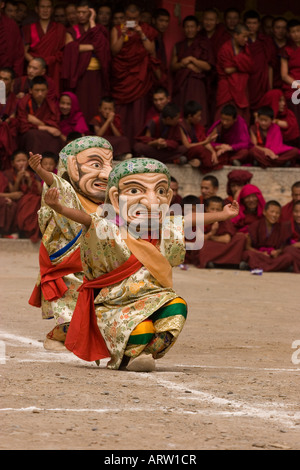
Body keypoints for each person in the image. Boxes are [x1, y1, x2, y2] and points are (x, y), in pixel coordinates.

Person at [42, 157, 239, 371]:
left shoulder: (165, 227)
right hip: (116, 303)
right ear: (116, 199)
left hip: (154, 296)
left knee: (177, 307)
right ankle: (130, 354)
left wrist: (224, 214)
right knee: (142, 328)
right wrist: (58, 207)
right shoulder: (109, 228)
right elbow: (85, 219)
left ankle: (146, 352)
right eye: (136, 191)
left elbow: (191, 219)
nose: (152, 201)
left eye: (161, 191)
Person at [28, 136, 114, 351]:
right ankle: (55, 337)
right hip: (67, 266)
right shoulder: (65, 190)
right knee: (70, 315)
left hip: (97, 266)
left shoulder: (108, 199)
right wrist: (40, 170)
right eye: (96, 165)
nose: (106, 172)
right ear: (71, 166)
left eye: (109, 164)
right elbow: (55, 182)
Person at [110, 3, 160, 145]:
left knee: (138, 112)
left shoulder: (146, 30)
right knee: (122, 113)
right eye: (129, 17)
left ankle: (137, 144)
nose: (132, 20)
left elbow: (151, 50)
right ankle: (122, 144)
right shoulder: (117, 29)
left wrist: (141, 34)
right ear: (125, 16)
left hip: (139, 78)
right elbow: (114, 51)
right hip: (123, 78)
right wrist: (123, 36)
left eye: (135, 18)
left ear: (139, 17)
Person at [62, 1, 110, 124]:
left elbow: (104, 48)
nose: (81, 15)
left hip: (97, 74)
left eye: (84, 12)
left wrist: (93, 22)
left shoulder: (99, 29)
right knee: (81, 105)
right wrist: (94, 47)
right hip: (80, 75)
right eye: (78, 12)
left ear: (90, 13)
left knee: (95, 106)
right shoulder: (72, 30)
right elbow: (70, 48)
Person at [171, 15, 214, 127]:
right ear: (183, 29)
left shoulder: (204, 44)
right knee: (182, 111)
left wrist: (192, 59)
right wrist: (185, 65)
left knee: (198, 113)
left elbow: (208, 66)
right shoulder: (179, 45)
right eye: (187, 27)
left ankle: (199, 136)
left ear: (198, 28)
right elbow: (173, 66)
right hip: (182, 84)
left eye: (192, 27)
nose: (189, 30)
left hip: (197, 84)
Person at [22, 0, 66, 96]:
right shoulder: (28, 28)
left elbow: (63, 51)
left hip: (53, 68)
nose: (45, 10)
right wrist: (37, 64)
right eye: (42, 7)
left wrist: (48, 60)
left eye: (48, 7)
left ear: (52, 10)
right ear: (37, 9)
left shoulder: (60, 28)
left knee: (52, 94)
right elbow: (24, 52)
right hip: (35, 68)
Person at [191, 195, 246, 269]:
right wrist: (212, 233)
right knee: (203, 245)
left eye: (218, 210)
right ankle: (220, 263)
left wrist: (211, 237)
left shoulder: (224, 221)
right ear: (206, 209)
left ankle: (217, 262)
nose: (215, 212)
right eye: (212, 209)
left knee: (240, 237)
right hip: (210, 245)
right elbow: (198, 239)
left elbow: (226, 239)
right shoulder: (202, 219)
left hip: (224, 246)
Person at [215, 23, 253, 124]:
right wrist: (242, 66)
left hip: (241, 86)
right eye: (244, 36)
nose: (246, 40)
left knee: (240, 117)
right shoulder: (225, 48)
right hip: (226, 86)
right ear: (235, 35)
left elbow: (250, 66)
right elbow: (227, 70)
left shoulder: (245, 48)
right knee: (223, 113)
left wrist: (237, 65)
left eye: (247, 37)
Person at [241, 200, 293, 272]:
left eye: (277, 213)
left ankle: (255, 266)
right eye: (272, 212)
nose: (274, 215)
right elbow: (247, 247)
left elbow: (284, 247)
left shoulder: (282, 227)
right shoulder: (255, 226)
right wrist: (261, 253)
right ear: (264, 212)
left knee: (288, 257)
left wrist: (277, 252)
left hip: (273, 257)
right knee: (248, 254)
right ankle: (277, 267)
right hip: (259, 254)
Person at [16, 75, 63, 155]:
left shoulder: (50, 105)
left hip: (45, 131)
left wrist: (38, 123)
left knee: (56, 138)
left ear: (47, 90)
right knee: (33, 135)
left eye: (43, 90)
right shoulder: (24, 103)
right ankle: (34, 164)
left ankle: (51, 164)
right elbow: (22, 126)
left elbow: (55, 123)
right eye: (37, 90)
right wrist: (47, 128)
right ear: (30, 90)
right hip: (29, 134)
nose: (40, 93)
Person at [4, 150, 41, 243]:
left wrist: (29, 180)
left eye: (24, 160)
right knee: (30, 200)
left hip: (29, 198)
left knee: (36, 200)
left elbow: (37, 191)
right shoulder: (8, 174)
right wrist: (18, 180)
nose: (21, 163)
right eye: (18, 161)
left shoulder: (32, 174)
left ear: (28, 162)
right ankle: (23, 230)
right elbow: (13, 192)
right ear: (13, 163)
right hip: (18, 199)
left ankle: (30, 230)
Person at [243, 10, 274, 112]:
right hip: (246, 81)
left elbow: (270, 64)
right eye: (249, 23)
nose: (251, 26)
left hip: (261, 82)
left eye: (254, 23)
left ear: (259, 24)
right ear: (244, 24)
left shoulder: (265, 41)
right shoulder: (240, 41)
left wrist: (270, 87)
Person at [179, 100, 218, 172]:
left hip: (196, 151)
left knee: (218, 152)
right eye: (198, 116)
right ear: (190, 116)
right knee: (201, 150)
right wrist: (205, 142)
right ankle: (197, 162)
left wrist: (213, 152)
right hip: (186, 151)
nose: (200, 118)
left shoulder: (196, 126)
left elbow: (204, 140)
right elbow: (187, 146)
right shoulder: (181, 126)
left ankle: (199, 162)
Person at [90, 96, 132, 161]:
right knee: (98, 142)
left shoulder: (116, 119)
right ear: (100, 109)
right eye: (105, 109)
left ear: (114, 110)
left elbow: (118, 136)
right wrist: (108, 121)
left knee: (124, 139)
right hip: (102, 142)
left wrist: (111, 123)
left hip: (113, 141)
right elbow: (98, 135)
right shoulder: (96, 119)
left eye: (110, 109)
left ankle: (119, 156)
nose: (107, 111)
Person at [281, 19, 300, 128]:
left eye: (298, 30)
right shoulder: (286, 50)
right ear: (288, 34)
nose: (296, 34)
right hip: (293, 89)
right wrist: (298, 86)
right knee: (296, 119)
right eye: (293, 31)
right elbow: (284, 75)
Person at [0, 67, 18, 169]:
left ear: (12, 82)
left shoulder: (15, 99)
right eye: (0, 78)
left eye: (5, 79)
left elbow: (15, 119)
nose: (1, 82)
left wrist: (8, 121)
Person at [0, 1, 24, 77]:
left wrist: (15, 75)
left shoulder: (11, 25)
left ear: (2, 4)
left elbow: (19, 54)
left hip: (6, 76)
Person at [152, 8, 170, 89]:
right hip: (153, 76)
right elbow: (153, 59)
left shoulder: (159, 37)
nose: (164, 24)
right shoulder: (152, 36)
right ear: (153, 21)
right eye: (161, 20)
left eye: (166, 21)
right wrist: (160, 78)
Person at [0, 170, 19, 238]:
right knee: (3, 202)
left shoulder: (3, 175)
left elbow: (11, 190)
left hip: (4, 197)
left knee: (13, 205)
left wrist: (9, 197)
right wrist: (9, 196)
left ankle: (8, 232)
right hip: (3, 198)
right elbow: (12, 194)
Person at [283, 200, 300, 273]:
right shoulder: (288, 225)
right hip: (295, 252)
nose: (298, 215)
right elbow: (283, 244)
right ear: (292, 212)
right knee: (288, 250)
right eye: (296, 212)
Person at [271, 17, 288, 90]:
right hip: (272, 82)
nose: (281, 31)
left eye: (284, 28)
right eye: (278, 28)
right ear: (272, 29)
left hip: (288, 84)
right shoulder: (267, 43)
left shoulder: (291, 45)